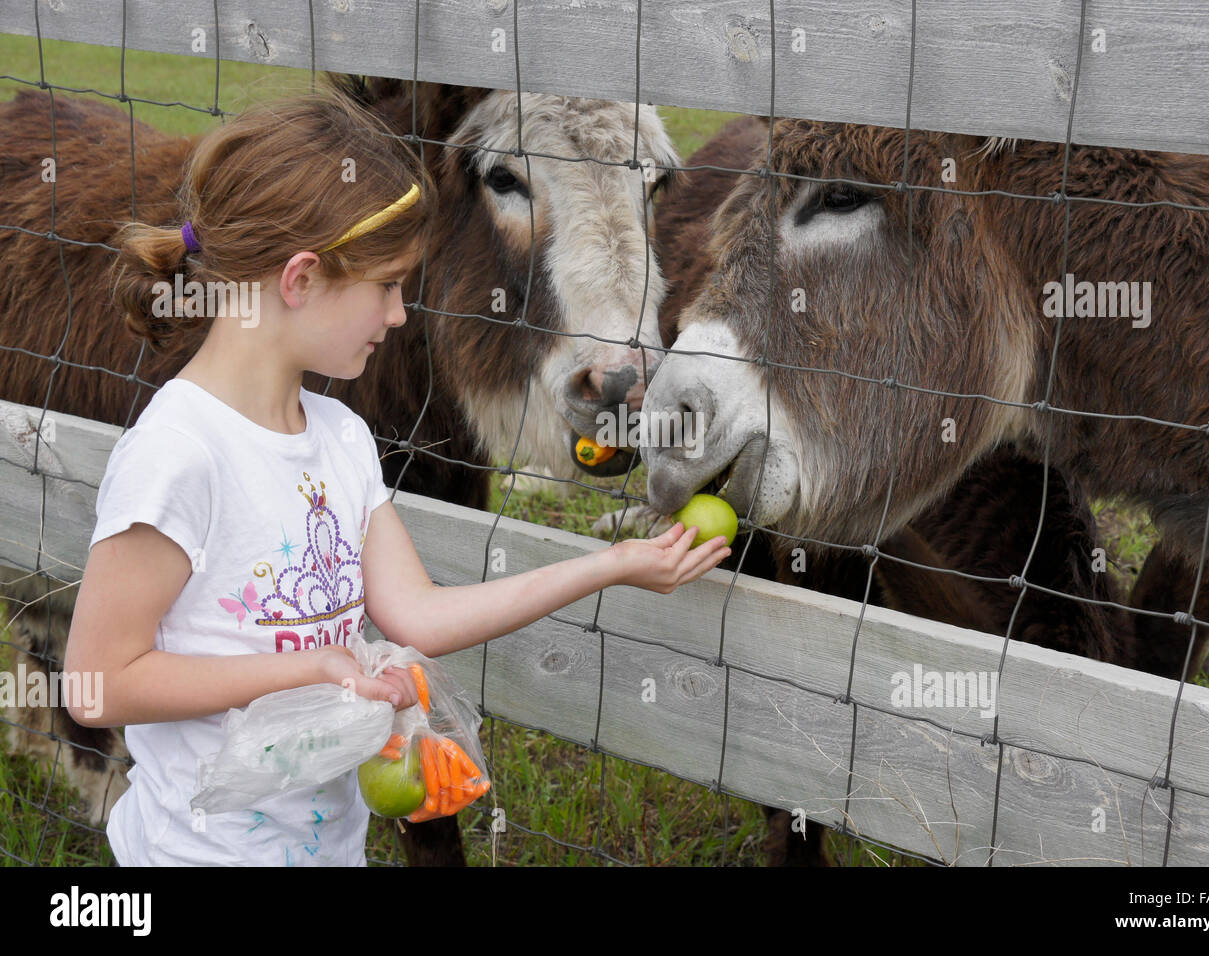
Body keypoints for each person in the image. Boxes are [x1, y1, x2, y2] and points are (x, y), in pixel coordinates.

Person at [63, 86, 731, 867]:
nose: (399, 316)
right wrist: (308, 669)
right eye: (385, 287)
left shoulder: (340, 438)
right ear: (301, 279)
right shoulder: (177, 453)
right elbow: (98, 686)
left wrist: (614, 566)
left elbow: (420, 616)